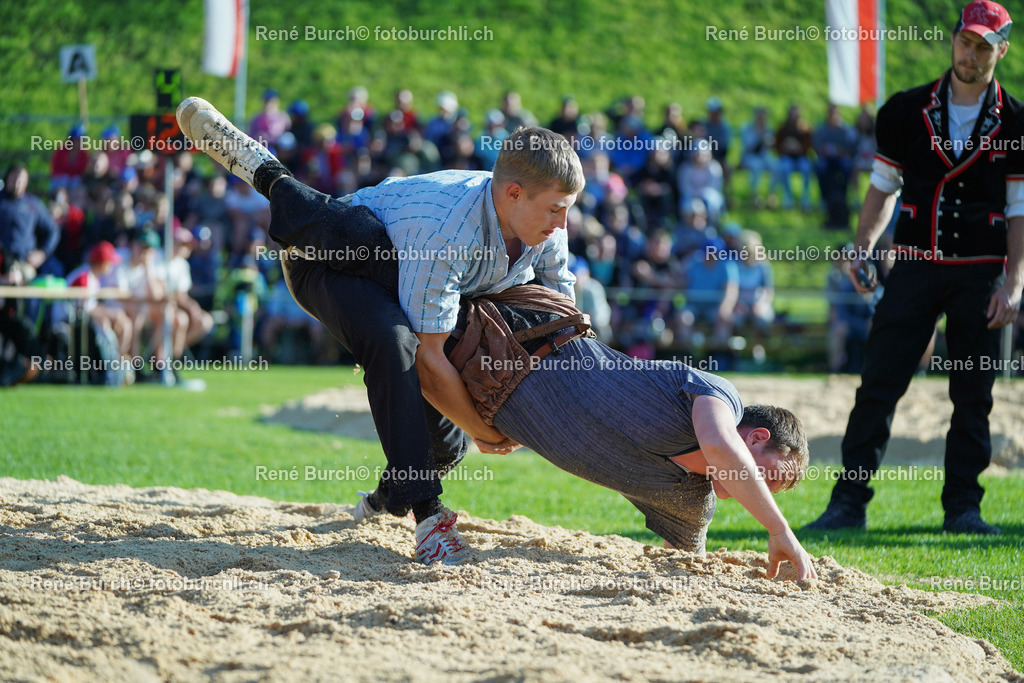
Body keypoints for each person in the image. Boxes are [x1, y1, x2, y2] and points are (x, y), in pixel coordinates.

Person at [177, 96, 583, 565]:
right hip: (328, 255)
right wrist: (482, 428)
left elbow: (560, 316)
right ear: (514, 194)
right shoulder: (448, 230)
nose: (563, 223)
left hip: (408, 273)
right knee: (395, 339)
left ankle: (389, 497)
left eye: (566, 209)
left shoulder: (547, 225)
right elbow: (429, 361)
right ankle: (267, 174)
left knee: (444, 449)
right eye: (556, 209)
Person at [807, 1, 1023, 535]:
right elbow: (883, 188)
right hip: (914, 267)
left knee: (973, 396)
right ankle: (847, 503)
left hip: (982, 274)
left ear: (1002, 50)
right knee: (877, 386)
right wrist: (862, 248)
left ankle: (963, 510)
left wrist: (1015, 283)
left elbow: (1020, 209)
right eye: (963, 42)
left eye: (981, 45)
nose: (968, 54)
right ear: (953, 40)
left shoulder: (1018, 121)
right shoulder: (905, 110)